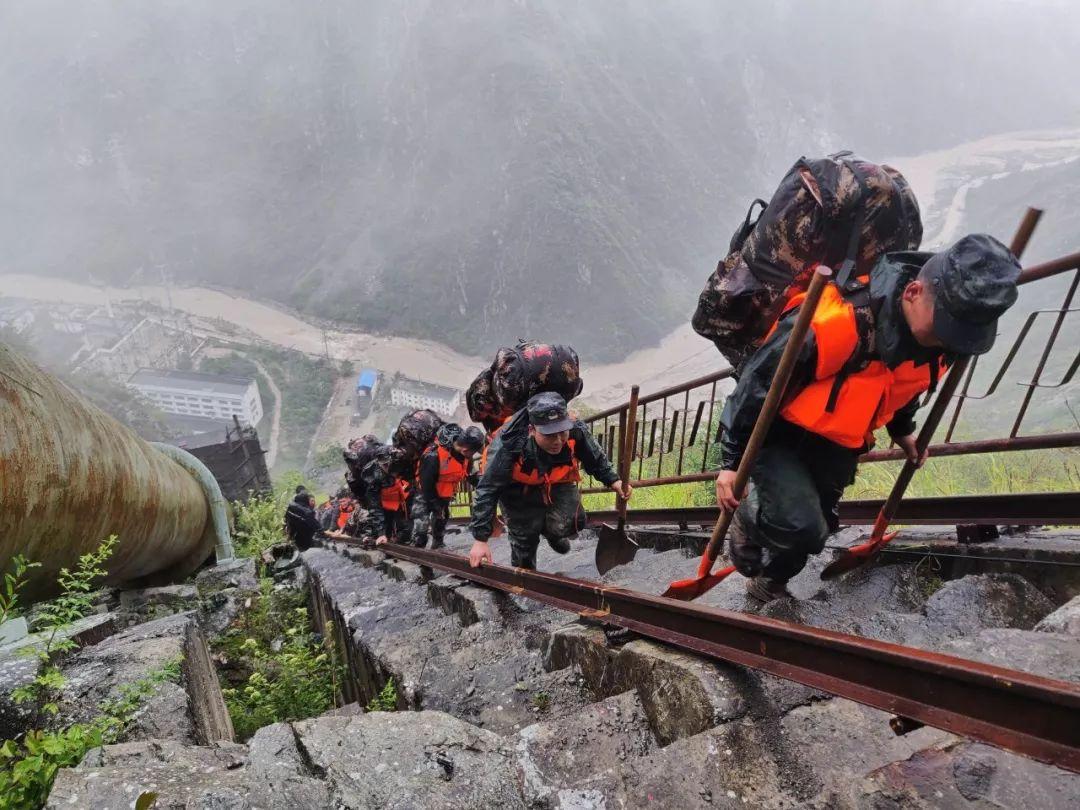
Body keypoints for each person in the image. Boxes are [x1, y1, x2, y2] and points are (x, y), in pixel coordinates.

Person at [715, 234, 1022, 602]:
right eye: (946, 325)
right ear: (913, 292)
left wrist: (903, 431)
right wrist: (732, 463)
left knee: (822, 528)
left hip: (840, 440)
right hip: (779, 434)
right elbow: (755, 384)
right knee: (802, 526)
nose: (949, 339)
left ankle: (770, 582)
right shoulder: (835, 323)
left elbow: (905, 387)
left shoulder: (944, 343)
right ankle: (750, 518)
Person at [468, 392, 632, 569]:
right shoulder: (508, 443)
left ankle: (551, 532)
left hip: (556, 481)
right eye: (549, 435)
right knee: (525, 539)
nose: (558, 441)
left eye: (562, 433)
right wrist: (480, 539)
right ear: (531, 430)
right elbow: (487, 489)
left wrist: (614, 480)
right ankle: (526, 581)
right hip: (515, 489)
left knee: (576, 520)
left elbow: (594, 457)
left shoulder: (576, 430)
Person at [412, 424, 485, 549]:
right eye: (473, 452)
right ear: (465, 449)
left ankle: (438, 544)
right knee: (421, 523)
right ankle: (418, 551)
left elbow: (468, 475)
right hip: (426, 493)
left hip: (445, 493)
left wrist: (485, 485)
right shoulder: (433, 456)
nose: (473, 455)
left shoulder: (465, 457)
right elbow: (427, 483)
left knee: (441, 519)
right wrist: (435, 504)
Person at [361, 445, 413, 546]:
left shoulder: (402, 462)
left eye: (390, 464)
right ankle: (380, 536)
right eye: (384, 465)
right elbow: (374, 506)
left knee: (407, 529)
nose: (388, 467)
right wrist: (381, 533)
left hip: (403, 497)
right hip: (385, 503)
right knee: (385, 529)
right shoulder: (372, 476)